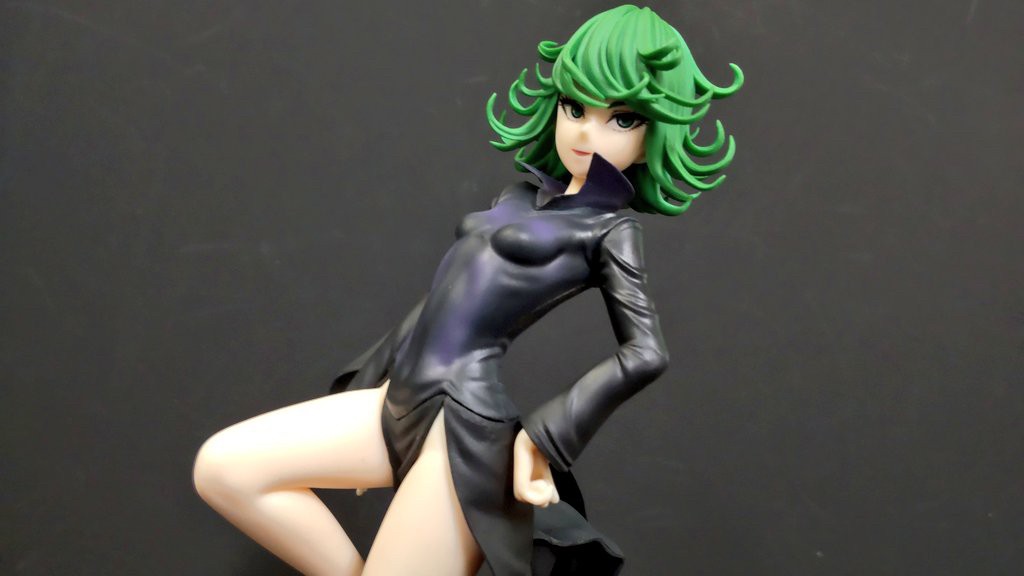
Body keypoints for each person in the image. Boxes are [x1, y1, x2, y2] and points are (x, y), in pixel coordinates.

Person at [192, 5, 742, 575]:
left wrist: (546, 437)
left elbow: (646, 351)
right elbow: (447, 295)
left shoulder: (610, 230)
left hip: (460, 427)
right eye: (575, 107)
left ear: (654, 133)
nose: (585, 131)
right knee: (226, 470)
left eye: (621, 119)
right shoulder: (518, 197)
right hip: (399, 400)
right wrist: (370, 375)